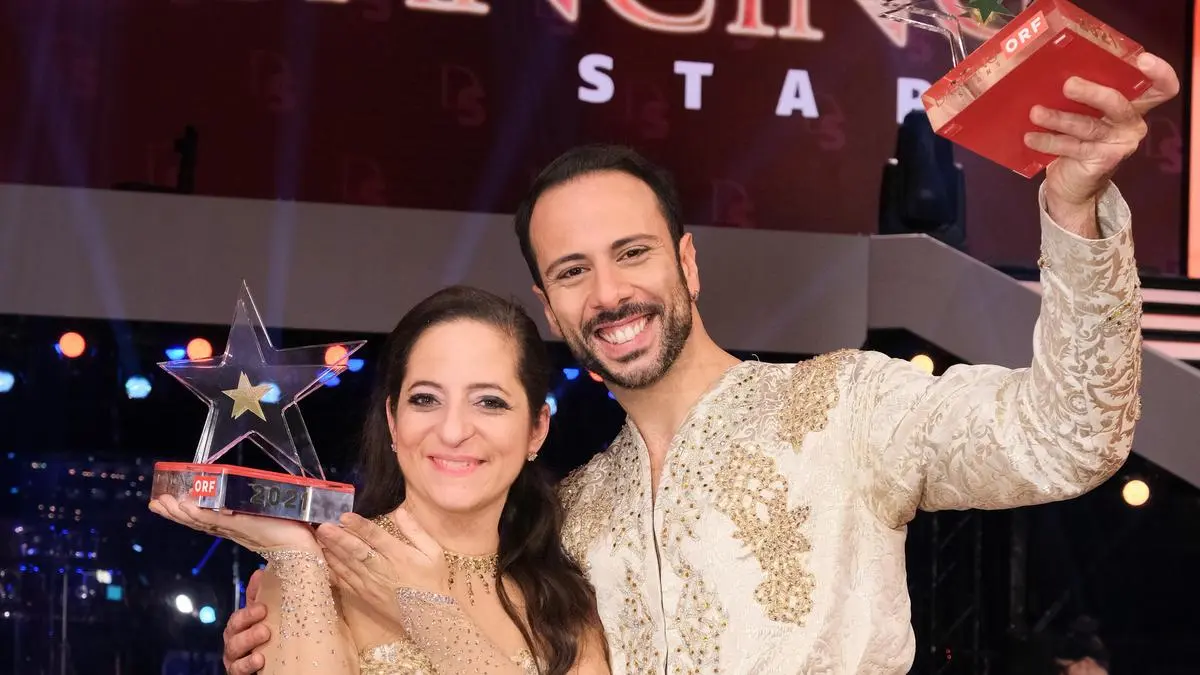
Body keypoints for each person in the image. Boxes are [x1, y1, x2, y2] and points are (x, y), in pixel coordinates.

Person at [224, 54, 1180, 673]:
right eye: (573, 271)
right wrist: (297, 618)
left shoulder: (846, 407)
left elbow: (1069, 437)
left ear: (686, 262)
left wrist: (1076, 211)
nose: (610, 292)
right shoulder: (562, 520)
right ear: (552, 309)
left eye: (633, 253)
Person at [153, 286, 610, 674]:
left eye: (489, 402)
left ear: (537, 428)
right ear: (393, 420)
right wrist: (295, 555)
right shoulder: (314, 575)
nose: (453, 431)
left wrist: (427, 613)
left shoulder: (565, 604)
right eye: (425, 399)